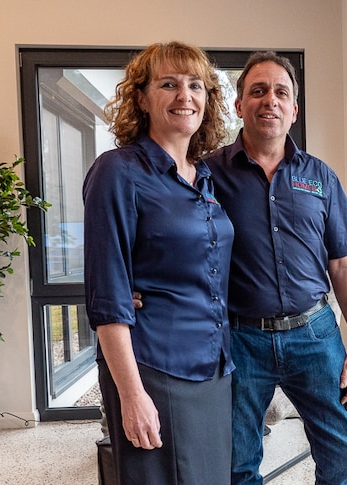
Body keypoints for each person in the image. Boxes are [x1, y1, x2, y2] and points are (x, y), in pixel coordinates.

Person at [205, 51, 347, 485]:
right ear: (239, 105)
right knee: (237, 462)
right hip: (241, 338)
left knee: (344, 452)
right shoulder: (208, 176)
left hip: (315, 334)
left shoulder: (320, 177)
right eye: (257, 91)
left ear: (294, 110)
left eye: (281, 92)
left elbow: (343, 263)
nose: (270, 101)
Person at [83, 41, 234, 485]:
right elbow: (107, 292)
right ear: (142, 98)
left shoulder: (205, 177)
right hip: (153, 366)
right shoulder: (118, 172)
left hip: (214, 366)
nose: (184, 96)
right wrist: (132, 395)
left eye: (196, 86)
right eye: (168, 84)